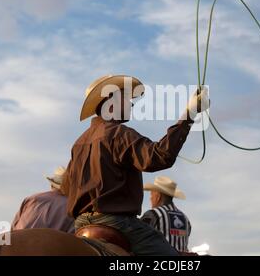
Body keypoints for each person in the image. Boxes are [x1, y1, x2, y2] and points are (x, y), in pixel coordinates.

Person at [61, 74, 209, 255]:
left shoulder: (79, 143)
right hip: (116, 222)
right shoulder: (118, 133)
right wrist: (189, 114)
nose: (131, 104)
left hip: (80, 223)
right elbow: (159, 156)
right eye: (126, 98)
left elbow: (66, 187)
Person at [11, 166, 75, 233]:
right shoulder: (72, 207)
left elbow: (13, 228)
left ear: (52, 185)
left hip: (19, 240)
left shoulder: (31, 199)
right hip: (51, 242)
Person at [141, 176, 191, 253]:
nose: (150, 198)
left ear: (158, 196)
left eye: (151, 194)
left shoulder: (153, 214)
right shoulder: (185, 219)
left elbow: (140, 240)